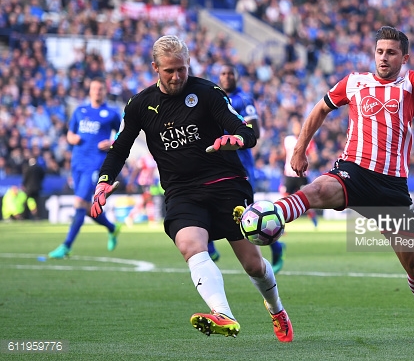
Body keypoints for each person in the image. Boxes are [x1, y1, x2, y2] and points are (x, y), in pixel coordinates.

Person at [240, 0, 414, 341]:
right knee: (315, 191)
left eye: (391, 52)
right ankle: (272, 214)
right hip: (353, 172)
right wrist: (299, 148)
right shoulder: (354, 83)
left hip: (391, 189)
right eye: (379, 51)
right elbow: (319, 109)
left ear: (404, 58)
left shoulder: (411, 86)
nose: (384, 57)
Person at [90, 35, 293, 341]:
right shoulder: (139, 105)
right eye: (169, 70)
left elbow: (245, 130)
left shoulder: (208, 92)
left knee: (252, 264)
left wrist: (236, 139)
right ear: (155, 68)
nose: (176, 77)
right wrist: (104, 182)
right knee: (190, 245)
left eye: (182, 69)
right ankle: (224, 314)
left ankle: (276, 308)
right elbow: (119, 149)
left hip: (226, 185)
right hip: (182, 191)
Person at [207, 64, 286, 274]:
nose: (226, 77)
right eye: (222, 73)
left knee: (249, 216)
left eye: (229, 73)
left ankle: (277, 246)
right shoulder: (213, 99)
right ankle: (209, 247)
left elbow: (256, 131)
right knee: (207, 202)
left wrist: (234, 134)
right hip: (218, 164)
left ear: (236, 77)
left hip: (241, 165)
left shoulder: (243, 99)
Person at [48, 78, 122, 259]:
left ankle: (66, 246)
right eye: (94, 89)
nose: (97, 92)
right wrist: (72, 139)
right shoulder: (80, 111)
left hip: (95, 163)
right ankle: (113, 228)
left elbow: (124, 133)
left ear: (105, 91)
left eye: (101, 89)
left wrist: (113, 142)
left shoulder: (111, 113)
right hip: (77, 162)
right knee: (87, 208)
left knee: (79, 203)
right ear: (89, 91)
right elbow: (70, 133)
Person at [282, 116, 319, 229]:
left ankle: (313, 220)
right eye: (295, 127)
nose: (296, 129)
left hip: (301, 175)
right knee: (284, 199)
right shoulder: (287, 140)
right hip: (289, 174)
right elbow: (284, 154)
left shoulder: (308, 140)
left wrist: (307, 163)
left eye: (298, 127)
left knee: (306, 199)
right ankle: (281, 224)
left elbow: (315, 157)